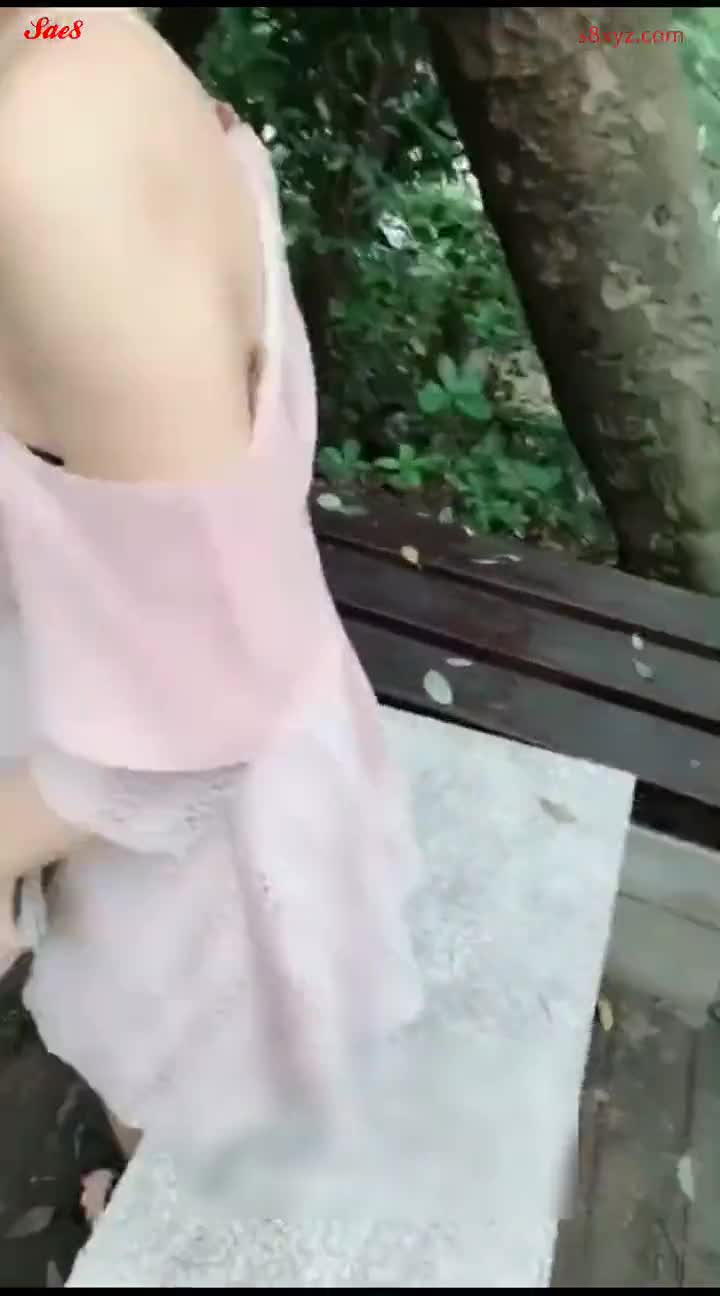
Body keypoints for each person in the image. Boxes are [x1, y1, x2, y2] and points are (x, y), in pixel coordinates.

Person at [0, 5, 422, 1200]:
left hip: (201, 860)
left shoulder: (54, 158)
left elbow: (206, 717)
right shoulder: (65, 38)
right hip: (119, 779)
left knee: (209, 1155)